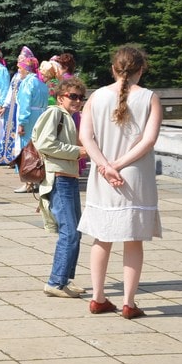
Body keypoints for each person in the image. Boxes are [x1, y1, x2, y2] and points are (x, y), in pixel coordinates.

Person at [78, 46, 162, 320]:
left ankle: (98, 297)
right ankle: (128, 302)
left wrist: (105, 165)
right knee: (133, 239)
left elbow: (86, 137)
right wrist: (119, 164)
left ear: (113, 69)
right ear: (142, 69)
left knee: (101, 236)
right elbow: (149, 141)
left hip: (103, 176)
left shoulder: (96, 97)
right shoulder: (150, 98)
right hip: (135, 175)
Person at [32, 77, 89, 298]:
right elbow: (45, 144)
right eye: (72, 96)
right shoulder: (55, 113)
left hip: (69, 177)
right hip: (58, 178)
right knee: (69, 231)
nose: (77, 101)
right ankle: (55, 282)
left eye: (81, 97)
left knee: (75, 231)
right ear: (60, 97)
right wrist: (77, 151)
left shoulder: (69, 117)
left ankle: (64, 279)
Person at [14, 52, 50, 192]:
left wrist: (22, 122)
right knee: (38, 148)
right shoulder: (41, 83)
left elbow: (25, 104)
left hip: (30, 118)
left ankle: (29, 182)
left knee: (27, 149)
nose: (19, 71)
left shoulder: (27, 83)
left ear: (26, 69)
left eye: (20, 68)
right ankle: (39, 178)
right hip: (41, 116)